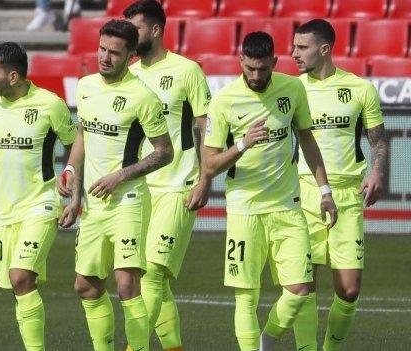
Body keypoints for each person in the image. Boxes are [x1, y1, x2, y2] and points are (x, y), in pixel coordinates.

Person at [201, 31, 338, 351]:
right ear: (241, 62)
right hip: (243, 210)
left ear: (275, 63)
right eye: (250, 68)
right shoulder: (224, 101)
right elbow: (209, 166)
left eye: (263, 69)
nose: (256, 76)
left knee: (301, 288)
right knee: (246, 296)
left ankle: (266, 340)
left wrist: (325, 191)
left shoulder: (292, 89)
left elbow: (307, 140)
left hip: (287, 208)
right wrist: (243, 143)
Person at [60, 19, 173, 351]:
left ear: (130, 56)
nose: (105, 57)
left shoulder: (143, 97)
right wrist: (71, 175)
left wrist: (119, 176)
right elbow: (83, 134)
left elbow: (165, 153)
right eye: (102, 49)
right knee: (86, 286)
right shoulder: (86, 86)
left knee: (127, 285)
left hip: (129, 200)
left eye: (114, 53)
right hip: (95, 206)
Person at [0, 41, 77, 350]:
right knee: (15, 286)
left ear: (13, 77)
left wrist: (74, 188)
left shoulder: (50, 105)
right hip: (6, 212)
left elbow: (78, 143)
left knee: (21, 277)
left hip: (41, 204)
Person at [291, 19, 387, 351]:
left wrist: (377, 173)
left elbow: (378, 141)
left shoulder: (360, 89)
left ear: (325, 49)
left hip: (347, 195)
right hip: (304, 192)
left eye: (302, 48)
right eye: (294, 47)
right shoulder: (292, 89)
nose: (294, 54)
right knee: (303, 285)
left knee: (349, 289)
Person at [122, 1, 211, 350]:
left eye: (136, 28)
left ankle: (134, 347)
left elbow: (206, 127)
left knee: (154, 273)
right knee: (147, 275)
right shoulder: (129, 75)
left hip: (178, 185)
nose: (130, 35)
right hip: (140, 189)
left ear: (156, 30)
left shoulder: (187, 70)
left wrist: (205, 179)